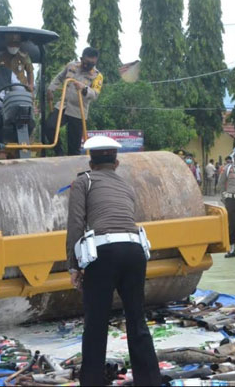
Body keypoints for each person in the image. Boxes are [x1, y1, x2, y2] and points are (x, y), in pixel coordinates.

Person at [65, 135, 161, 386]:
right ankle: (149, 381)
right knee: (136, 319)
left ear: (91, 162)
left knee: (96, 322)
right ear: (116, 163)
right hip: (134, 251)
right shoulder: (126, 186)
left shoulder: (82, 182)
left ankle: (92, 381)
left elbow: (75, 226)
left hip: (104, 254)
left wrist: (74, 266)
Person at [46, 47, 103, 156]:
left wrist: (84, 88)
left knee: (74, 146)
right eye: (86, 63)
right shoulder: (71, 66)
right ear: (81, 58)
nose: (88, 66)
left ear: (95, 62)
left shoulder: (97, 76)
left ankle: (73, 167)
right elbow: (59, 77)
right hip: (63, 105)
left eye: (92, 64)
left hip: (79, 111)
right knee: (49, 126)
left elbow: (95, 94)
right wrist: (51, 89)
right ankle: (59, 152)